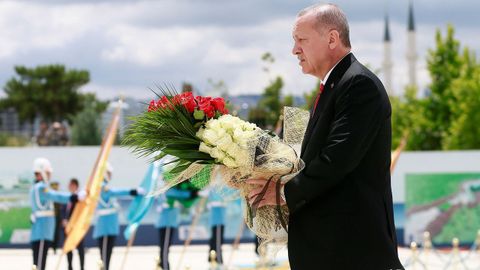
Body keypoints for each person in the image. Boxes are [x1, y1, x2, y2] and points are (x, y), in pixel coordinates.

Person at [248, 4, 404, 269]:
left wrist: (282, 192)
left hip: (352, 252)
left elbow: (336, 159)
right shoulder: (335, 86)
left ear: (332, 39)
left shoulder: (358, 85)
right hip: (332, 251)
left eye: (301, 40)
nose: (294, 50)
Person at [29, 158, 83, 270]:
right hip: (42, 230)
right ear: (42, 172)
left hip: (41, 230)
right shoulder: (41, 188)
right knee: (40, 263)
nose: (49, 175)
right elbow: (56, 196)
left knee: (39, 262)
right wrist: (74, 197)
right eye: (48, 173)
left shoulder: (35, 188)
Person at [93, 163, 144, 270]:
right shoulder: (102, 186)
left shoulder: (103, 185)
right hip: (105, 226)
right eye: (109, 173)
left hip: (109, 226)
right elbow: (115, 192)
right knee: (105, 256)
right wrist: (132, 191)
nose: (111, 175)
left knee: (107, 255)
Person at [155, 181, 199, 270]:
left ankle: (163, 266)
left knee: (166, 247)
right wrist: (194, 192)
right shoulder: (167, 191)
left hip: (170, 223)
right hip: (166, 223)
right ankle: (165, 267)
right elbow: (181, 194)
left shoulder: (171, 191)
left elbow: (185, 200)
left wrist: (194, 193)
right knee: (165, 247)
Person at [62, 178, 85, 270]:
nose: (70, 187)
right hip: (68, 227)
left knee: (80, 249)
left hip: (77, 228)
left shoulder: (80, 198)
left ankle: (82, 267)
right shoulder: (67, 198)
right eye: (69, 185)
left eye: (72, 185)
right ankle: (70, 267)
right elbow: (63, 211)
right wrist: (64, 220)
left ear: (76, 186)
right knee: (69, 249)